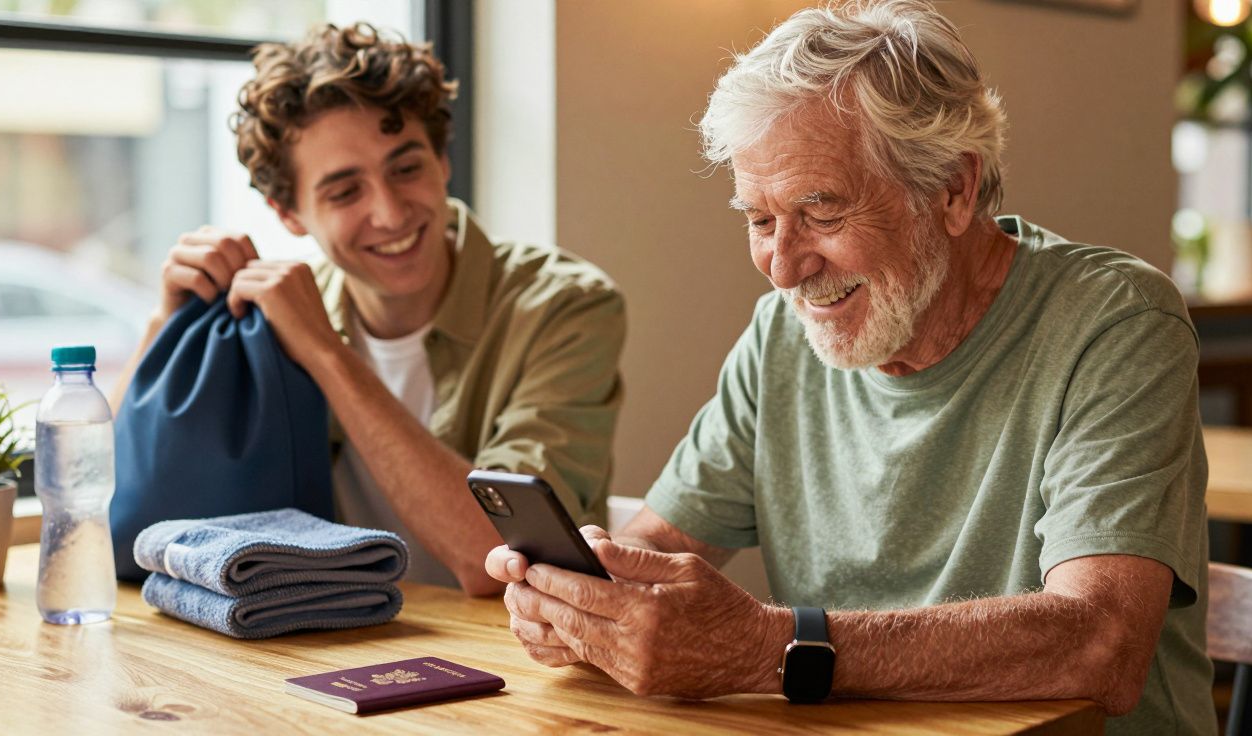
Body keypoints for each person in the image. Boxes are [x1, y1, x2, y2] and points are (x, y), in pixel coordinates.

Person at [485, 1, 1214, 732]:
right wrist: (592, 598)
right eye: (759, 220)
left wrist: (768, 648)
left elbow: (1099, 640)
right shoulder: (782, 334)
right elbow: (659, 542)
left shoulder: (1116, 322)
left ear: (953, 190)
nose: (782, 267)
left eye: (823, 214)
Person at [114, 23, 625, 596]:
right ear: (287, 213)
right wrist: (165, 327)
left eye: (406, 169)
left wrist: (327, 353)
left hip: (511, 645)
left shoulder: (566, 307)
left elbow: (497, 553)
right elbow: (102, 490)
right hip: (321, 635)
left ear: (442, 159)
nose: (390, 212)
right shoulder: (269, 317)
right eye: (344, 191)